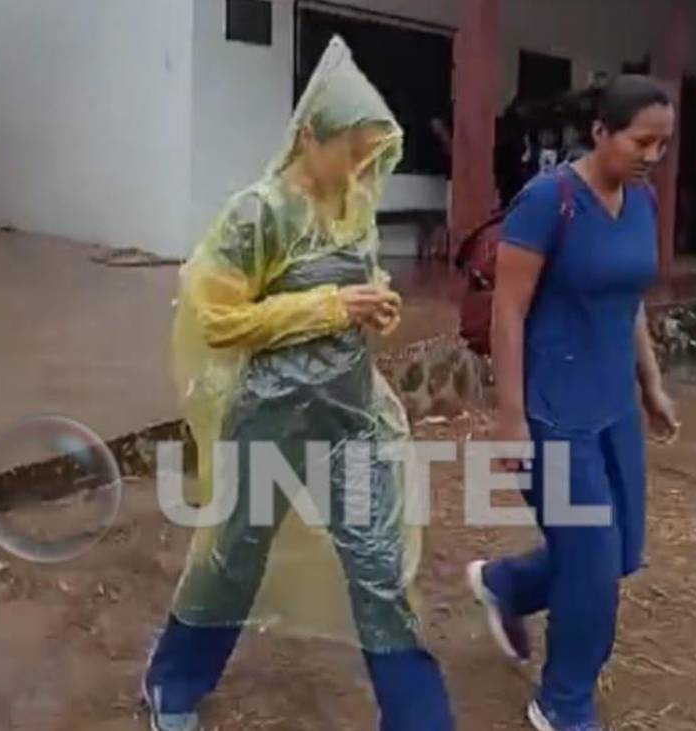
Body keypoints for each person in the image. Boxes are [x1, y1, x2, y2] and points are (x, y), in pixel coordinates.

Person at [141, 37, 454, 731]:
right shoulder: (259, 213)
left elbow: (357, 289)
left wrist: (375, 302)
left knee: (379, 571)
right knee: (234, 557)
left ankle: (418, 719)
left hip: (348, 418)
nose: (360, 164)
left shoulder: (354, 207)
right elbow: (216, 317)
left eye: (371, 151)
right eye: (350, 148)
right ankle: (172, 683)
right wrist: (333, 307)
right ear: (310, 136)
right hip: (271, 419)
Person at [465, 75, 680, 731]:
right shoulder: (547, 199)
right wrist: (510, 420)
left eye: (663, 145)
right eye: (641, 141)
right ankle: (563, 702)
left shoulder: (638, 202)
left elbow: (628, 301)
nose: (652, 156)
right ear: (599, 133)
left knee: (617, 552)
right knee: (591, 566)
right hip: (554, 411)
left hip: (612, 404)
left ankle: (508, 584)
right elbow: (507, 310)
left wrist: (651, 385)